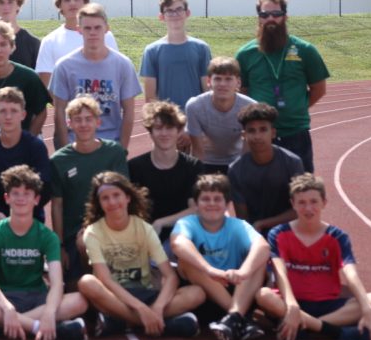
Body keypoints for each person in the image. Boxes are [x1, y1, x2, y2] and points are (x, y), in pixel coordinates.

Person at [256, 174, 371, 340]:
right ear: (293, 204)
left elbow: (351, 275)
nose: (308, 208)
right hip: (291, 302)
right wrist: (292, 305)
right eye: (302, 202)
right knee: (263, 295)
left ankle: (309, 326)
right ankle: (333, 331)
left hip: (327, 304)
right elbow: (280, 272)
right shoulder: (278, 233)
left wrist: (367, 310)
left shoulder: (337, 236)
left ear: (324, 203)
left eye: (313, 202)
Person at [0, 166, 89, 340]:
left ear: (37, 199)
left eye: (27, 193)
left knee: (79, 300)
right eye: (15, 193)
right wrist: (7, 308)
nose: (21, 198)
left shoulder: (48, 236)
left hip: (36, 297)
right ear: (7, 198)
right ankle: (37, 328)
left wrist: (49, 312)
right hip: (3, 296)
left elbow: (56, 283)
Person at [77, 172, 205, 338]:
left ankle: (125, 322)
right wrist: (141, 309)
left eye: (117, 195)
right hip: (114, 297)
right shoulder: (93, 233)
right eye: (105, 198)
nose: (112, 202)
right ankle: (160, 324)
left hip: (146, 292)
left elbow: (170, 276)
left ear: (128, 198)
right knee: (87, 283)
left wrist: (157, 307)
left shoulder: (145, 228)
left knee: (197, 292)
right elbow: (105, 279)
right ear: (99, 203)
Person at [170, 175, 269, 340]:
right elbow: (178, 243)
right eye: (205, 199)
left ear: (227, 204)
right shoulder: (188, 223)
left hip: (239, 290)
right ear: (196, 204)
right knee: (187, 262)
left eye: (217, 199)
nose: (212, 203)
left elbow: (263, 247)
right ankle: (240, 320)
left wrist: (243, 271)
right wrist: (209, 269)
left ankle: (232, 318)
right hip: (206, 295)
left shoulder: (237, 225)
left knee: (258, 262)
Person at [235, 0, 329, 173]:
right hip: (259, 135)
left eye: (276, 14)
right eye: (264, 15)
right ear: (259, 19)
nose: (270, 18)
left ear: (285, 16)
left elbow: (318, 88)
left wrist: (298, 107)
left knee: (301, 189)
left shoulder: (305, 50)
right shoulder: (245, 54)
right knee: (261, 191)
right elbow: (242, 92)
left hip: (295, 132)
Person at [48, 96, 128, 279]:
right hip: (73, 233)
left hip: (111, 228)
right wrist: (59, 246)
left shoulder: (114, 152)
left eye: (88, 119)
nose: (83, 124)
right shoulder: (59, 160)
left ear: (98, 122)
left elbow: (124, 195)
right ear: (69, 124)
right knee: (75, 293)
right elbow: (57, 205)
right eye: (77, 119)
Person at [50, 3, 140, 150]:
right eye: (87, 28)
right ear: (79, 30)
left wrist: (121, 149)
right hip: (76, 144)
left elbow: (129, 111)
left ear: (106, 29)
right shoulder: (64, 66)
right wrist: (67, 149)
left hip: (111, 144)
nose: (93, 32)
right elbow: (59, 111)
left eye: (97, 27)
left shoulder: (123, 64)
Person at [127, 101, 205, 243]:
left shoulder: (193, 166)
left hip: (182, 236)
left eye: (169, 128)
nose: (164, 133)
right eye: (158, 128)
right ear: (150, 132)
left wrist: (161, 222)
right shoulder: (134, 167)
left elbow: (195, 209)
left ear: (179, 131)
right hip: (144, 236)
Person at [0, 86, 52, 227]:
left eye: (14, 111)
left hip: (29, 214)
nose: (8, 117)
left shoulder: (35, 146)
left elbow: (44, 189)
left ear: (23, 115)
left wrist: (19, 215)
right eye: (3, 111)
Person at [228, 103, 304, 235]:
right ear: (243, 135)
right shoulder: (236, 170)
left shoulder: (292, 162)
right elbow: (242, 217)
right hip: (254, 234)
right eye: (251, 131)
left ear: (273, 133)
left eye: (263, 129)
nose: (257, 136)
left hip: (289, 231)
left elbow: (299, 209)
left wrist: (264, 223)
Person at [36, 0, 118, 86]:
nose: (72, 3)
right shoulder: (50, 41)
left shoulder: (105, 36)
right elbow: (47, 82)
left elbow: (115, 73)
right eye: (67, 0)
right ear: (59, 5)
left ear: (85, 3)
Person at [139, 0, 211, 110]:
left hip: (195, 120)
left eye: (179, 9)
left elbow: (207, 90)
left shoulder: (202, 48)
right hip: (167, 123)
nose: (175, 14)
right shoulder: (151, 51)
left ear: (187, 13)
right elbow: (150, 98)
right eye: (169, 11)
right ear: (161, 16)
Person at [184, 57, 256, 174]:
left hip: (237, 160)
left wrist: (241, 174)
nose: (222, 84)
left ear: (238, 82)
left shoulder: (250, 107)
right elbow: (197, 150)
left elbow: (248, 150)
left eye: (228, 79)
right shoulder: (195, 106)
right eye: (217, 79)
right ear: (209, 81)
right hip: (206, 161)